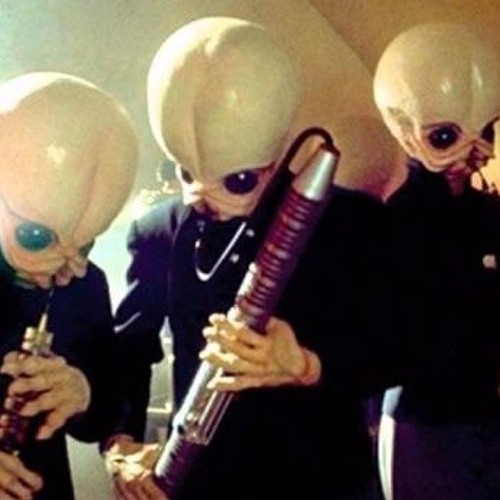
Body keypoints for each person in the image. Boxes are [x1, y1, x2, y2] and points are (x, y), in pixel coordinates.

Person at [103, 16, 400, 500]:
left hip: (322, 485)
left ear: (279, 150)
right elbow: (129, 353)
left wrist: (309, 365)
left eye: (238, 181)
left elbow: (399, 346)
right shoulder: (158, 232)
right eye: (186, 174)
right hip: (204, 486)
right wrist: (119, 445)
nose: (204, 199)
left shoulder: (350, 222)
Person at [371, 23, 500, 500]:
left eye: (487, 131)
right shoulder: (394, 222)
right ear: (406, 132)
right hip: (425, 425)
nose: (475, 150)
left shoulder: (489, 214)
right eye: (446, 136)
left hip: (481, 414)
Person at [0, 71, 138, 499]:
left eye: (84, 243)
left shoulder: (85, 282)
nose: (59, 268)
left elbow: (107, 407)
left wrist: (83, 391)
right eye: (35, 237)